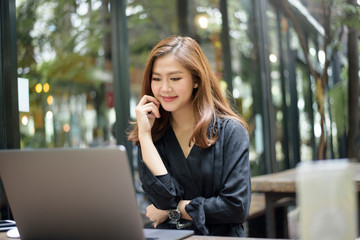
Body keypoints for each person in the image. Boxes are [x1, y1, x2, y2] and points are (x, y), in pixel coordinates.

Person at [127, 36, 251, 237]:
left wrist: (172, 211)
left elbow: (235, 208)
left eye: (175, 78)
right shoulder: (152, 134)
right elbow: (162, 200)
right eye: (157, 78)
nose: (164, 88)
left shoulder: (231, 131)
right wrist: (145, 137)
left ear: (196, 79)